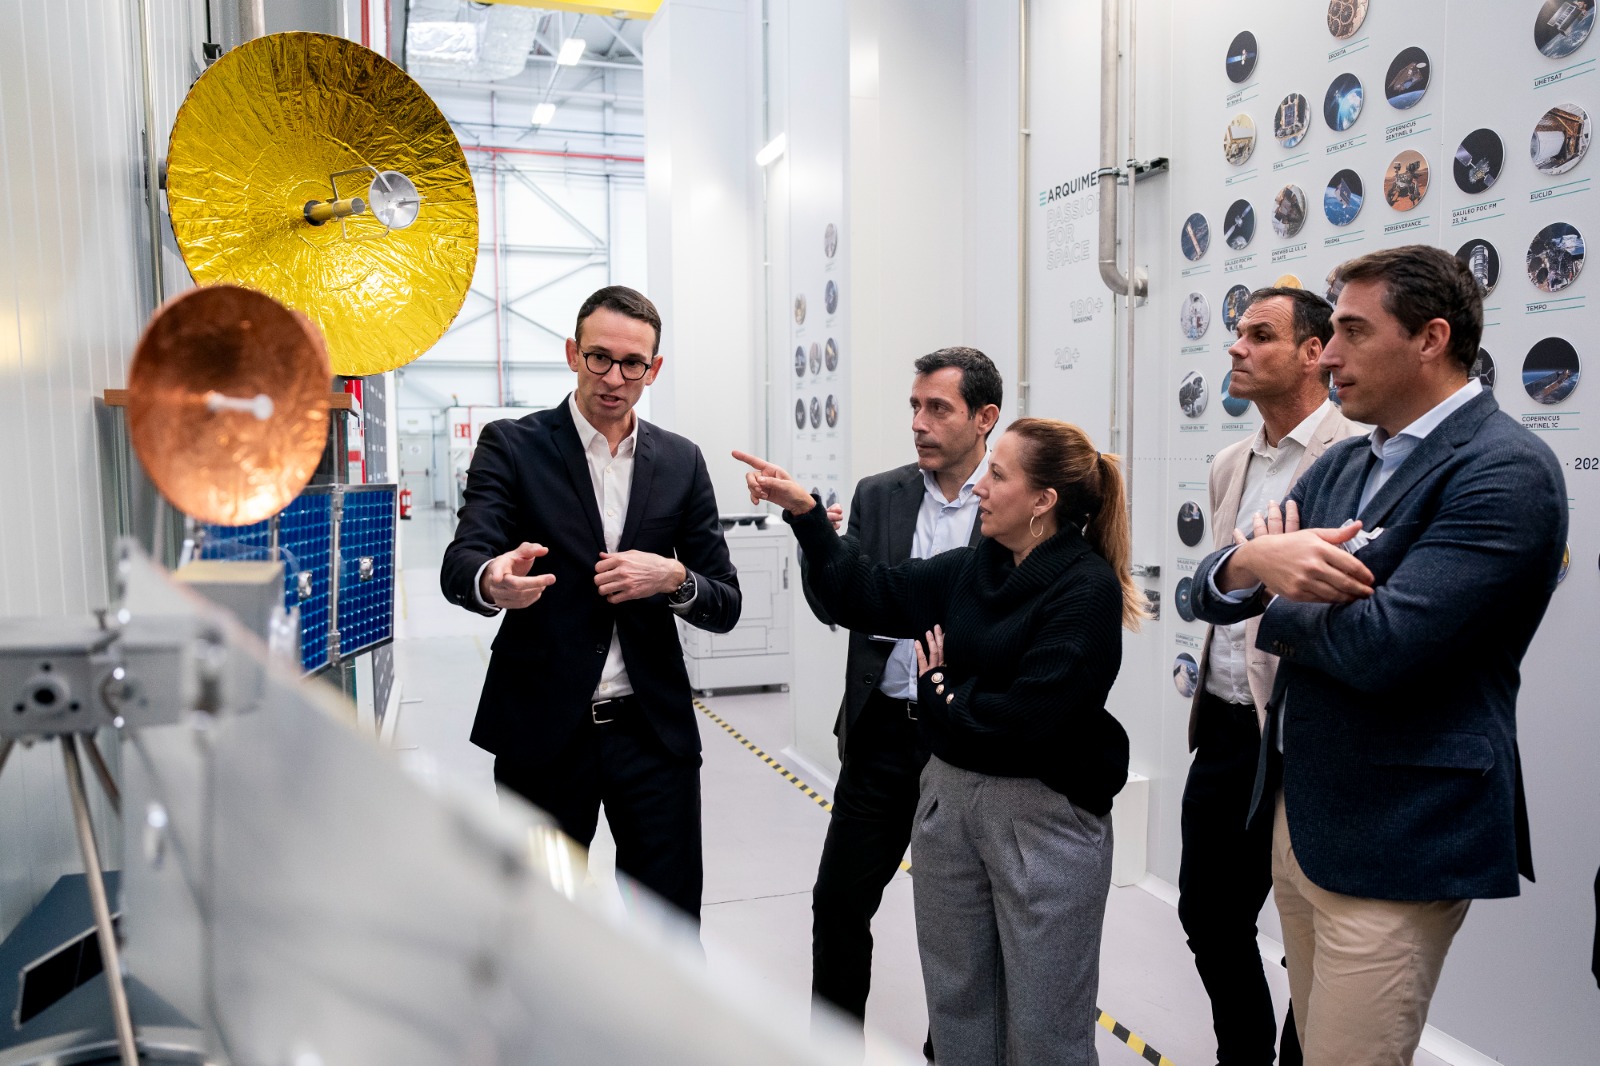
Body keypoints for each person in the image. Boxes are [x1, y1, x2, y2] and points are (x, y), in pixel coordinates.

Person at [1191, 245, 1568, 1066]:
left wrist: (1275, 588)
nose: (1328, 354)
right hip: (1301, 817)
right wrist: (1254, 561)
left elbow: (1388, 645)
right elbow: (1209, 593)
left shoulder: (1506, 471)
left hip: (1399, 834)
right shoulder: (1347, 461)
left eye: (1353, 332)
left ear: (1431, 338)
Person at [736, 418, 1143, 1066]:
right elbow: (862, 594)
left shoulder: (1084, 588)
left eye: (998, 475)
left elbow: (1023, 723)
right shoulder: (976, 568)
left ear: (1043, 501)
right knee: (958, 1010)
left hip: (1040, 824)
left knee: (1044, 1028)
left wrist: (940, 689)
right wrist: (807, 516)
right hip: (950, 806)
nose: (980, 486)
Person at [440, 285, 741, 923]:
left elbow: (724, 600)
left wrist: (674, 577)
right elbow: (462, 560)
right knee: (544, 923)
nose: (614, 378)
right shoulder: (513, 445)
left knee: (667, 927)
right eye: (599, 357)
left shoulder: (681, 461)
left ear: (654, 370)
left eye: (633, 364)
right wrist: (494, 580)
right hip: (545, 735)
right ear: (573, 354)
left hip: (652, 737)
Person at [1180, 287, 1360, 1066]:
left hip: (1302, 740)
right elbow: (1221, 591)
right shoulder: (1231, 463)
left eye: (1260, 335)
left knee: (1308, 935)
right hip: (1225, 730)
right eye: (1237, 333)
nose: (1236, 347)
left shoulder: (1355, 457)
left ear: (1314, 352)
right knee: (1206, 915)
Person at [800, 348, 1001, 1037]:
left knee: (962, 928)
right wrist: (817, 547)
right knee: (837, 902)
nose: (918, 422)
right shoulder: (878, 493)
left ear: (984, 418)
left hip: (965, 742)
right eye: (915, 406)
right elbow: (840, 602)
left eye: (938, 408)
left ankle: (950, 1052)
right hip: (882, 733)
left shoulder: (1011, 500)